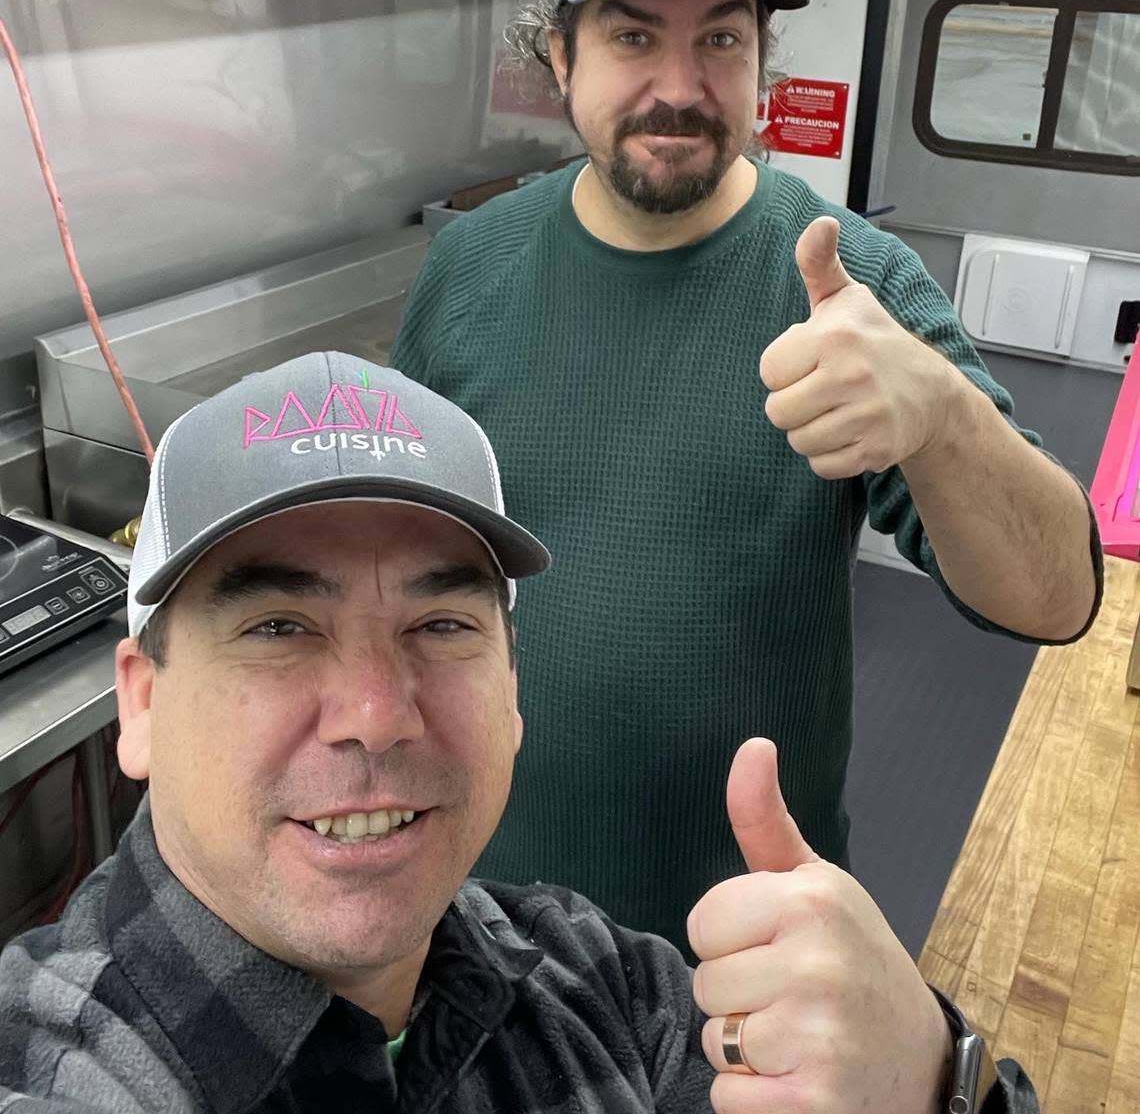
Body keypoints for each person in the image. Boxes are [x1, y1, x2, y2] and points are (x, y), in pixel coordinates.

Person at [390, 0, 1103, 952]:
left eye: (721, 36)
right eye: (633, 34)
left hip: (744, 941)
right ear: (559, 56)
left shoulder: (849, 284)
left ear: (763, 60)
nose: (680, 88)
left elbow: (1056, 598)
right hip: (488, 922)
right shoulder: (468, 268)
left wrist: (939, 413)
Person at [0, 352, 1036, 1114]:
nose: (376, 714)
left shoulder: (599, 985)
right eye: (279, 628)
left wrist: (938, 1075)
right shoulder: (65, 1071)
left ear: (513, 686)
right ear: (141, 703)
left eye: (442, 625)